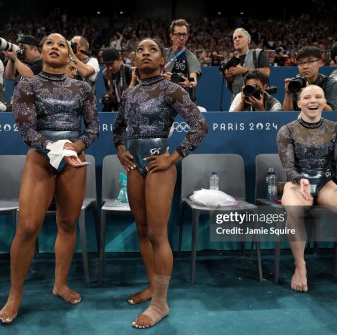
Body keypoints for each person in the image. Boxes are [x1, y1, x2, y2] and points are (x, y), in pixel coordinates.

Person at [0, 33, 99, 324]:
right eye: (49, 44)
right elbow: (26, 130)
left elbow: (93, 128)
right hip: (41, 159)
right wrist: (53, 148)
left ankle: (60, 284)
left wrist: (76, 147)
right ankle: (14, 295)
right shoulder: (28, 84)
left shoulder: (82, 88)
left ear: (71, 54)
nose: (55, 47)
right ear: (40, 51)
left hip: (73, 159)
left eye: (62, 44)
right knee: (28, 227)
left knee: (67, 224)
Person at [113, 37, 208, 328]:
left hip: (159, 166)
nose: (144, 53)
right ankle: (153, 287)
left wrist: (174, 157)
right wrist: (120, 149)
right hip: (135, 168)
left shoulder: (171, 89)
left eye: (152, 49)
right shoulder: (129, 94)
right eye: (139, 49)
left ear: (162, 59)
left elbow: (200, 126)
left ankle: (160, 303)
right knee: (142, 230)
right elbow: (118, 128)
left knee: (157, 233)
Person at [277, 85, 337, 293]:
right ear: (299, 103)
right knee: (294, 211)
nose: (313, 100)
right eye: (307, 97)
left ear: (324, 102)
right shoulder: (287, 131)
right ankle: (300, 266)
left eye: (318, 97)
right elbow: (288, 167)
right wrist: (300, 179)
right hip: (296, 183)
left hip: (326, 184)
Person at [283, 46, 337, 111]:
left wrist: (310, 93)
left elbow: (332, 112)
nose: (305, 67)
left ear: (320, 62)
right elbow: (287, 113)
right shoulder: (296, 83)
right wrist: (288, 94)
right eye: (301, 63)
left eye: (310, 61)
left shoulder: (330, 83)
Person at [224, 28, 270, 101]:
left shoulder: (257, 53)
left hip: (256, 100)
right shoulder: (231, 61)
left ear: (248, 39)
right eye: (234, 38)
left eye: (240, 37)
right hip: (237, 102)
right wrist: (229, 79)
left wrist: (245, 70)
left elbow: (266, 72)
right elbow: (231, 88)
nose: (237, 39)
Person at [163, 19, 201, 103]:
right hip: (163, 99)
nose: (181, 38)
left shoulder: (191, 57)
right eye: (178, 34)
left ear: (187, 36)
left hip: (183, 100)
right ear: (171, 36)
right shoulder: (163, 54)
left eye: (184, 35)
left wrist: (188, 81)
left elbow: (193, 79)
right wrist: (163, 77)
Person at [100, 47, 133, 112]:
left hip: (129, 108)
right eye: (107, 65)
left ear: (120, 60)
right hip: (114, 109)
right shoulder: (105, 73)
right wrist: (107, 96)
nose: (109, 68)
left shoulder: (128, 71)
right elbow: (109, 90)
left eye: (112, 64)